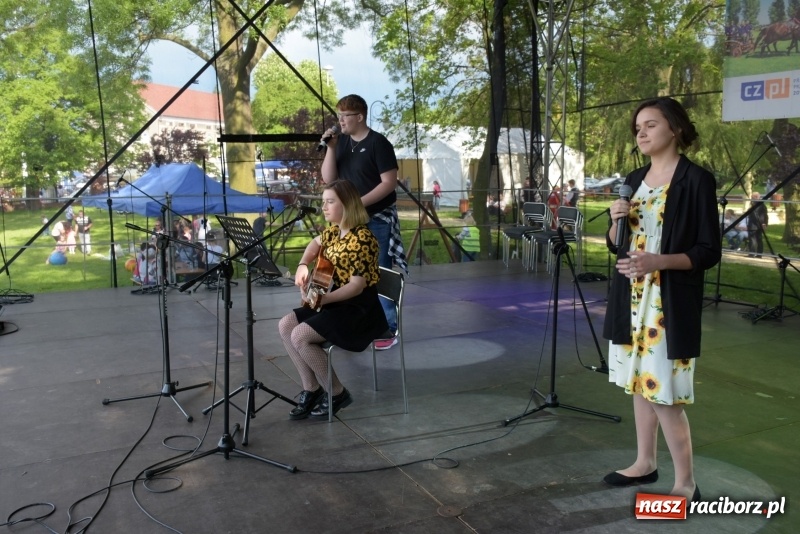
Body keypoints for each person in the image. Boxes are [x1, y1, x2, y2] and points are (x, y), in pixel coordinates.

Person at [603, 97, 721, 502]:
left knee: (665, 394)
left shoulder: (696, 180)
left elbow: (709, 250)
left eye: (651, 125)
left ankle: (686, 482)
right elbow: (617, 246)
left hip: (667, 302)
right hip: (631, 297)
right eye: (638, 127)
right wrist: (616, 222)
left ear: (675, 128)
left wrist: (659, 261)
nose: (641, 133)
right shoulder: (634, 178)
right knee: (639, 386)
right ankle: (645, 462)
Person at [278, 180, 388, 420]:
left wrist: (322, 300)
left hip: (357, 309)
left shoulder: (363, 239)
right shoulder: (333, 232)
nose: (324, 207)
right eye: (323, 202)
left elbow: (356, 287)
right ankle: (312, 389)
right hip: (331, 301)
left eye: (330, 202)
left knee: (301, 335)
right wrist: (302, 266)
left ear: (347, 205)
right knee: (286, 325)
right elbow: (314, 244)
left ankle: (337, 392)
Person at [319, 94, 407, 350]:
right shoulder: (342, 143)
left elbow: (388, 184)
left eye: (345, 116)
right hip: (349, 221)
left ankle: (387, 328)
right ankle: (349, 323)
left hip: (376, 218)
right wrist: (331, 147)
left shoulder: (379, 143)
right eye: (339, 116)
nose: (340, 121)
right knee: (343, 269)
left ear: (360, 117)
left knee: (378, 271)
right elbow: (329, 179)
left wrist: (359, 204)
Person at [747, 192, 768, 258]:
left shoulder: (756, 205)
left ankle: (752, 253)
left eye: (752, 197)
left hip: (754, 224)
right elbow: (765, 215)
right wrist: (764, 223)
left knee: (753, 239)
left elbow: (756, 215)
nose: (751, 198)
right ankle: (759, 254)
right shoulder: (762, 205)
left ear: (755, 197)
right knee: (759, 239)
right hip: (759, 224)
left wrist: (764, 223)